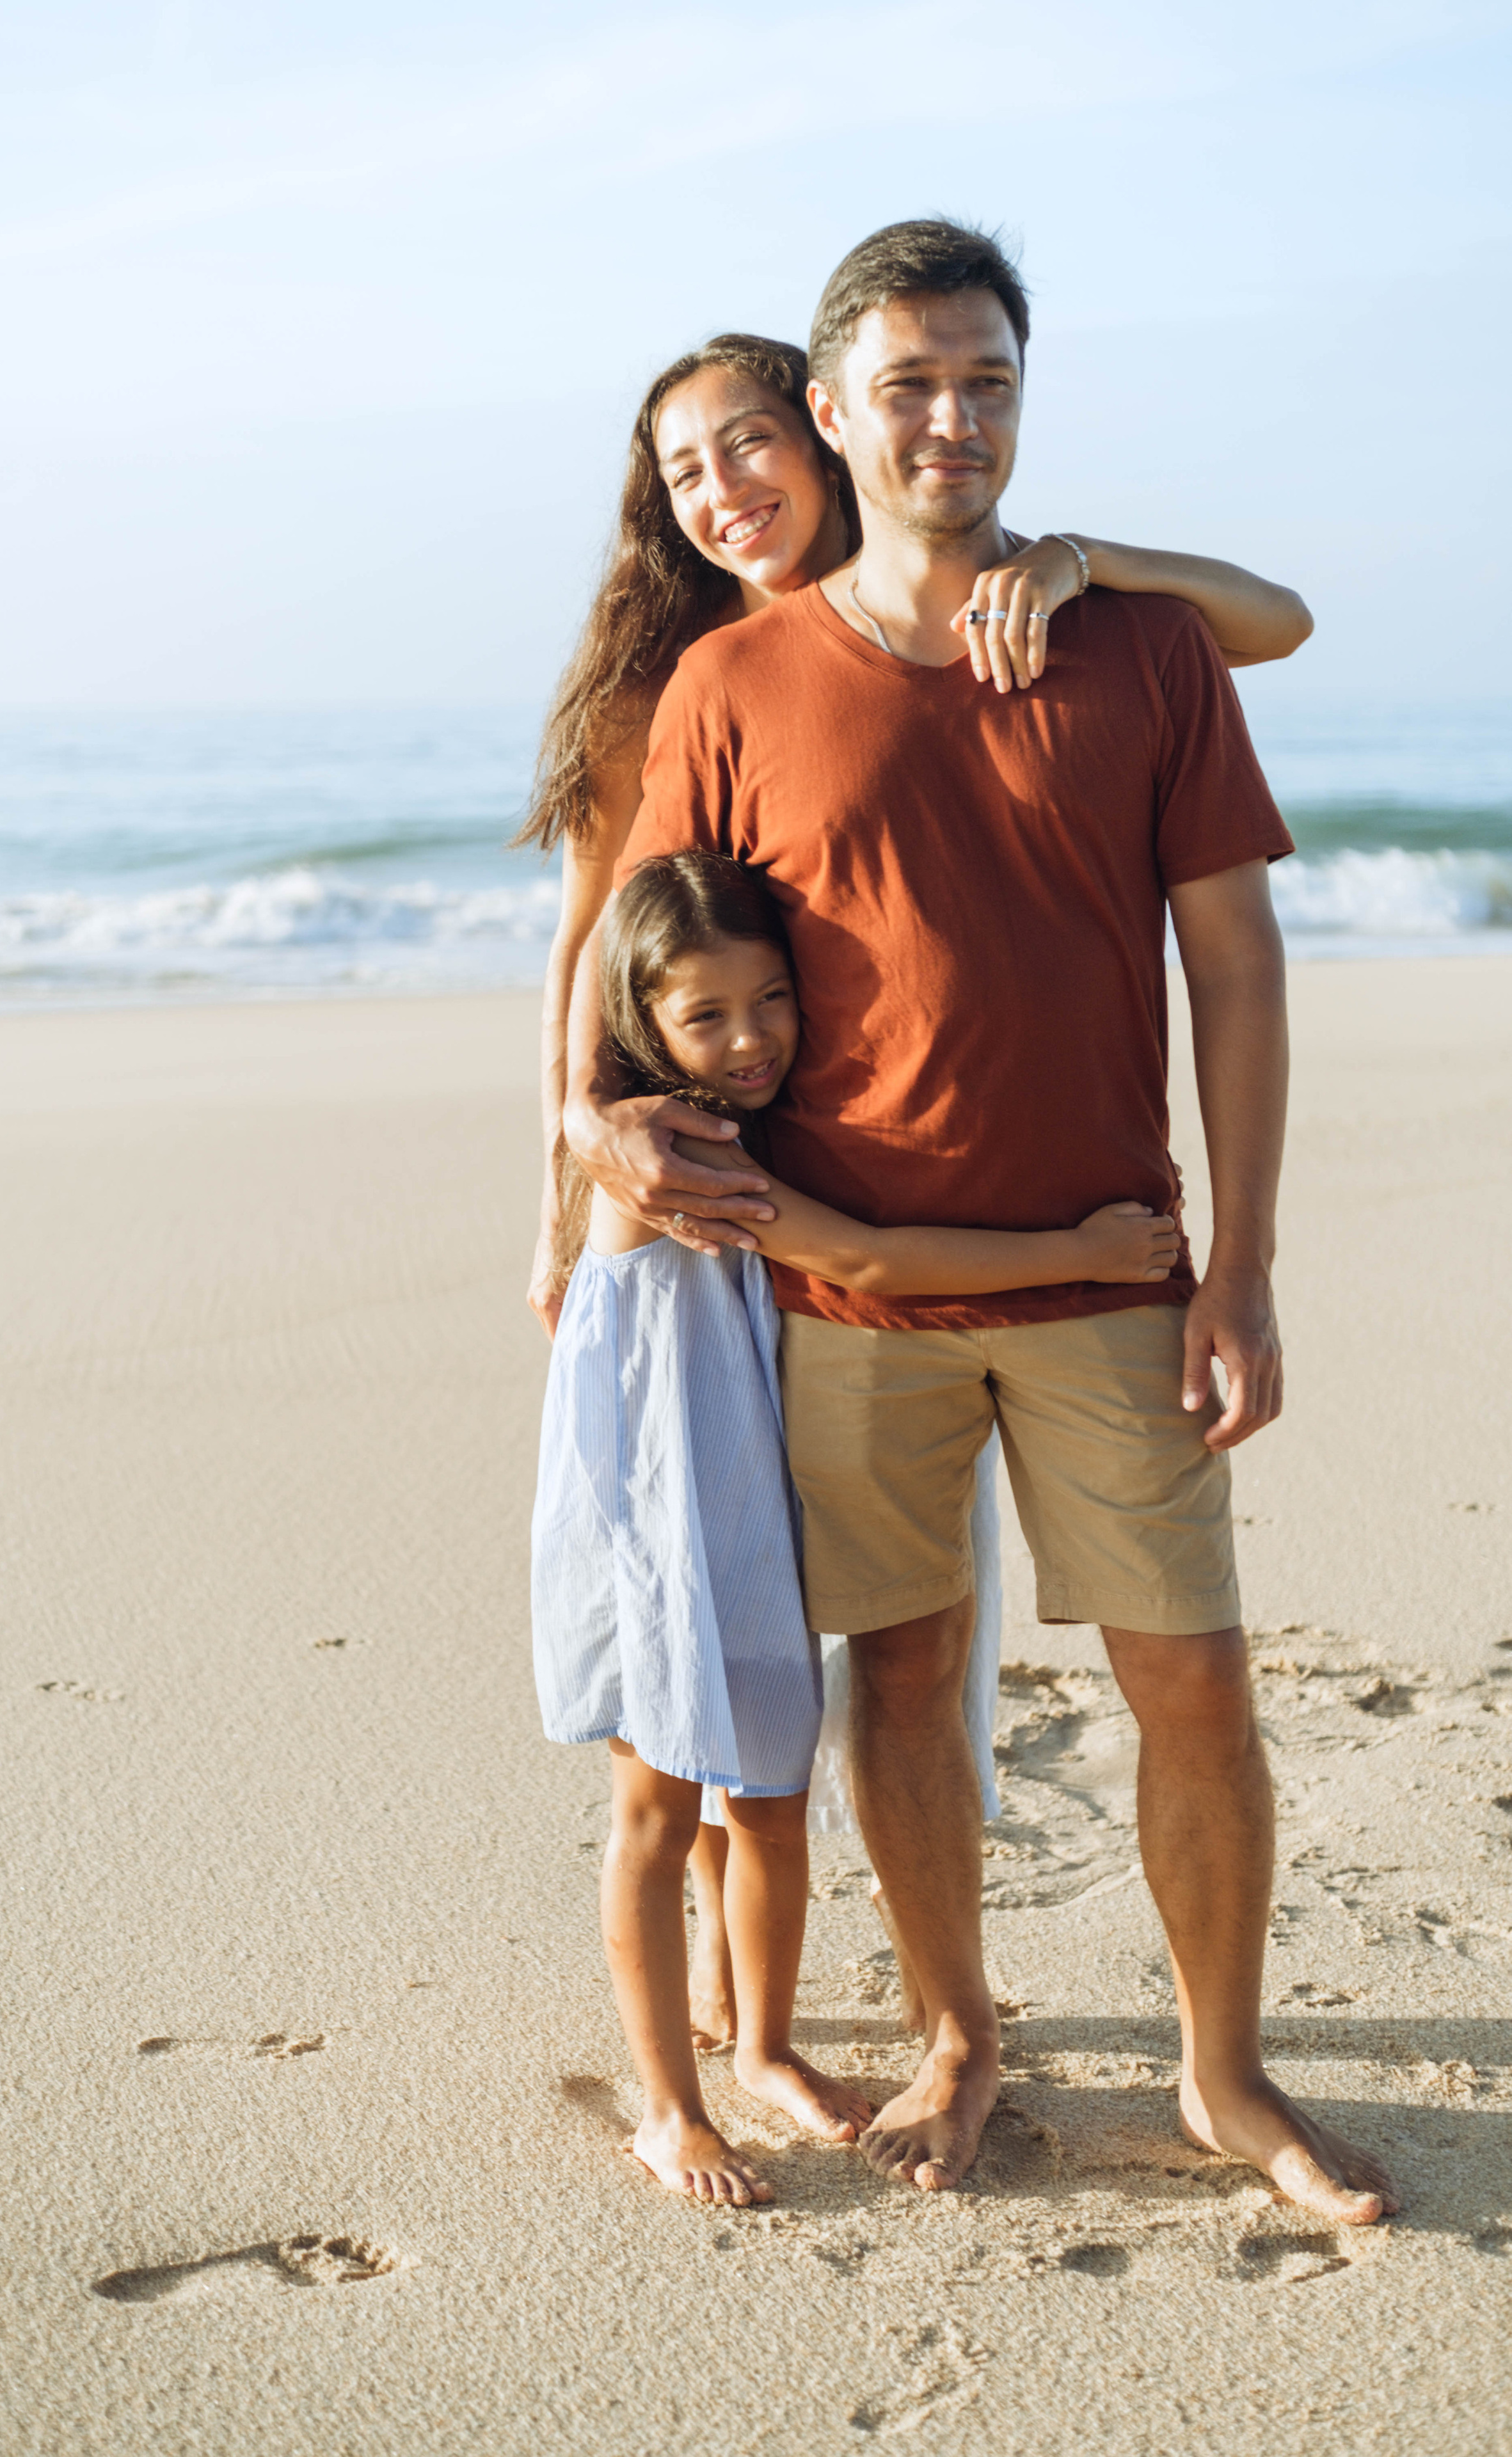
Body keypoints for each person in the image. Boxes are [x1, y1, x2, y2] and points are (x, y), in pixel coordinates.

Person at [566, 219, 1397, 2226]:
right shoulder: (734, 677)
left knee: (1194, 1683)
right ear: (834, 413)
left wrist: (1247, 1262)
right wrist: (597, 1137)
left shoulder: (1146, 650)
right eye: (912, 384)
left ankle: (1223, 2075)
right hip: (845, 1293)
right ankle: (961, 2033)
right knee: (909, 1679)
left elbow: (1239, 964)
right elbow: (633, 960)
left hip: (1118, 1270)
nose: (954, 418)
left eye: (988, 381)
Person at [534, 848, 1180, 2204]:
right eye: (707, 1016)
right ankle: (667, 2108)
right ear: (642, 1023)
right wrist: (1081, 1254)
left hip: (746, 1503)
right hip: (659, 1519)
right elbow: (870, 1260)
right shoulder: (672, 1150)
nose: (752, 1038)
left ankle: (762, 2044)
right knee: (657, 1805)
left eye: (772, 998)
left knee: (769, 1800)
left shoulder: (745, 1122)